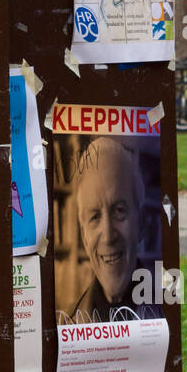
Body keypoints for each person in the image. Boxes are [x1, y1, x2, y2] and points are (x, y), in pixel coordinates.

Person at [68, 137, 162, 324]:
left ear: (141, 224)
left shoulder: (174, 311)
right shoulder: (66, 322)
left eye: (119, 211)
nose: (108, 236)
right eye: (94, 217)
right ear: (84, 235)